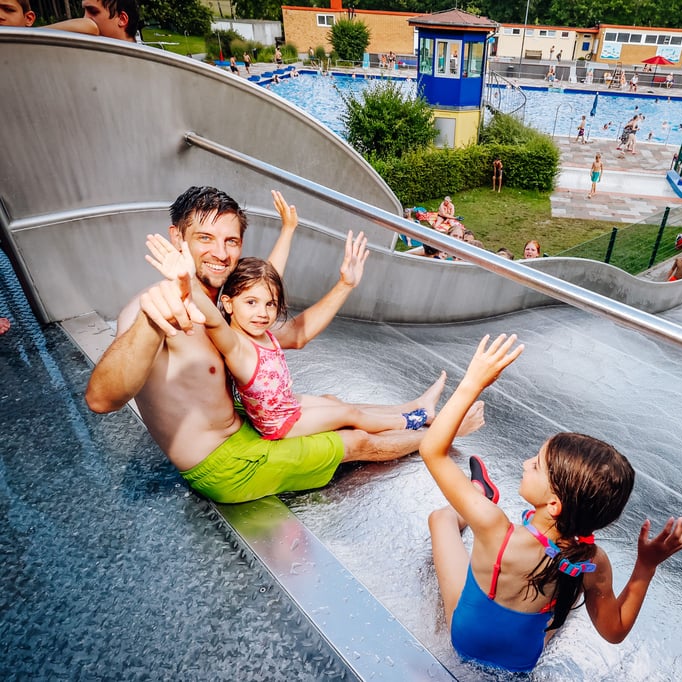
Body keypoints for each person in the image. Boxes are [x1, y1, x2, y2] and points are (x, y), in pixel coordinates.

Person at [85, 186, 483, 505]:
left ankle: (418, 410)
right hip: (224, 463)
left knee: (332, 401)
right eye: (204, 238)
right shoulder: (153, 308)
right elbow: (102, 399)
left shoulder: (220, 299)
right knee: (355, 439)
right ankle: (443, 433)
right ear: (177, 238)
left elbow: (273, 301)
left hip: (243, 424)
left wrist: (304, 245)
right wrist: (153, 321)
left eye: (231, 241)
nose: (221, 254)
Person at [422, 334, 682, 673]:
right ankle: (474, 497)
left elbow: (432, 450)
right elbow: (614, 630)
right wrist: (646, 565)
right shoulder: (592, 562)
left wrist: (473, 381)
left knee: (440, 520)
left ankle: (477, 493)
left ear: (554, 503)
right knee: (560, 596)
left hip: (465, 640)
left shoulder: (494, 528)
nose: (525, 463)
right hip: (522, 662)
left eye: (536, 464)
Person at [144, 229, 440, 439]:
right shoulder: (236, 345)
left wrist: (345, 280)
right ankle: (418, 420)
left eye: (270, 304)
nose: (263, 312)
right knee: (350, 415)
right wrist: (187, 279)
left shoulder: (262, 331)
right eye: (251, 303)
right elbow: (212, 320)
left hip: (288, 406)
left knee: (333, 400)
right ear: (228, 303)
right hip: (279, 424)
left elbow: (270, 276)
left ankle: (412, 406)